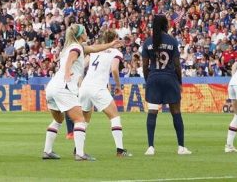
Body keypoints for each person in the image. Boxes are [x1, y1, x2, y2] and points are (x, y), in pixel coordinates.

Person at [42, 24, 123, 161]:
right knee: (80, 120)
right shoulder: (76, 48)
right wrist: (68, 72)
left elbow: (95, 48)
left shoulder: (73, 46)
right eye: (85, 31)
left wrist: (110, 44)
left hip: (52, 87)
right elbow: (70, 61)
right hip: (63, 87)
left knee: (58, 119)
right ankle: (80, 154)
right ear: (80, 35)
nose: (87, 33)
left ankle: (47, 151)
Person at [142, 14, 191, 156]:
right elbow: (177, 65)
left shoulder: (148, 42)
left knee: (152, 113)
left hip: (153, 78)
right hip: (170, 79)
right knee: (176, 113)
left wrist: (149, 79)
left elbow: (145, 66)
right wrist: (179, 82)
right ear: (165, 25)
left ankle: (150, 147)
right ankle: (181, 147)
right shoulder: (172, 41)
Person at [79, 29, 132, 157]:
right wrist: (118, 85)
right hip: (98, 88)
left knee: (84, 120)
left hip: (85, 87)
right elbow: (114, 69)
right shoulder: (116, 52)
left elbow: (81, 66)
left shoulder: (95, 50)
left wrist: (80, 81)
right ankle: (120, 150)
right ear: (115, 39)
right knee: (114, 117)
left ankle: (78, 149)